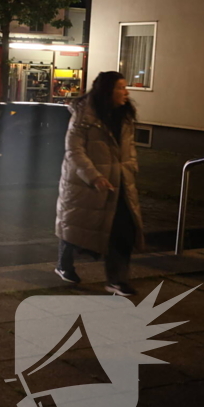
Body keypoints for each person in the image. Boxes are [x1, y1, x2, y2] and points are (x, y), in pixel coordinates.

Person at [55, 71, 144, 296]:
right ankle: (64, 265)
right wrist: (94, 176)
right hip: (84, 185)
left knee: (123, 230)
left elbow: (130, 147)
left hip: (119, 184)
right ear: (107, 91)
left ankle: (117, 280)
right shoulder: (83, 116)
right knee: (76, 228)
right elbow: (74, 150)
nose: (126, 92)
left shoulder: (124, 116)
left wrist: (131, 167)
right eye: (121, 87)